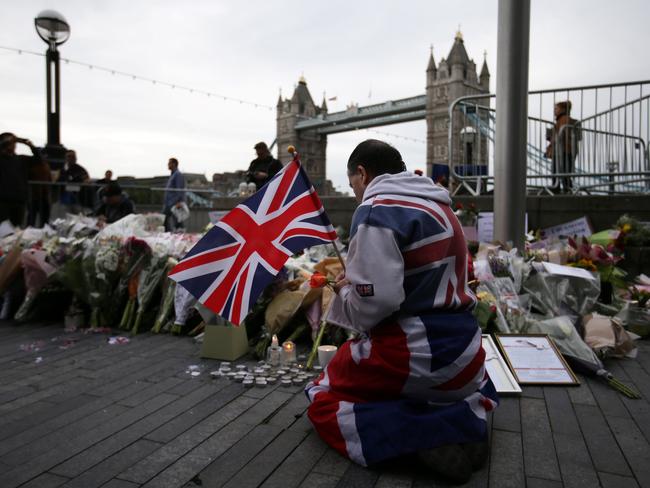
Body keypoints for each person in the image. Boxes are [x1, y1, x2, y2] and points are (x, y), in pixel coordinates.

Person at [305, 140, 498, 484]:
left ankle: (421, 439)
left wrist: (346, 289)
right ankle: (466, 424)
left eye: (353, 186)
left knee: (322, 394)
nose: (355, 196)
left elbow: (376, 305)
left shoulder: (377, 207)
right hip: (467, 357)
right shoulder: (442, 206)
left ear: (362, 173)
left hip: (416, 353)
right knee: (453, 391)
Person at [0, 133, 39, 227]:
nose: (13, 145)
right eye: (10, 143)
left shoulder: (21, 159)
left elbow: (38, 160)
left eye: (13, 143)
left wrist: (31, 146)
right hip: (3, 200)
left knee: (16, 228)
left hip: (19, 200)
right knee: (3, 228)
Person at [546, 101, 580, 193]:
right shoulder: (563, 120)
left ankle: (558, 188)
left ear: (563, 109)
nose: (554, 111)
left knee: (557, 170)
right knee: (564, 171)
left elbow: (561, 135)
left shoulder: (564, 119)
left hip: (563, 149)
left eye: (556, 108)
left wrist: (552, 136)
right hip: (566, 149)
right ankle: (565, 188)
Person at [57, 150, 90, 214]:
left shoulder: (80, 169)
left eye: (73, 156)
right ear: (66, 158)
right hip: (64, 197)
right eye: (69, 156)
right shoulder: (62, 169)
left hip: (78, 198)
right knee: (66, 215)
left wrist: (83, 183)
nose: (71, 158)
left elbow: (87, 180)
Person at [163, 157, 186, 231]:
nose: (168, 165)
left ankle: (179, 235)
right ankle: (168, 234)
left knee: (177, 222)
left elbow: (179, 189)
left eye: (169, 163)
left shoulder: (177, 175)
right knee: (165, 220)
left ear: (174, 164)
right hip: (169, 203)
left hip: (174, 203)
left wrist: (178, 202)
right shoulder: (173, 175)